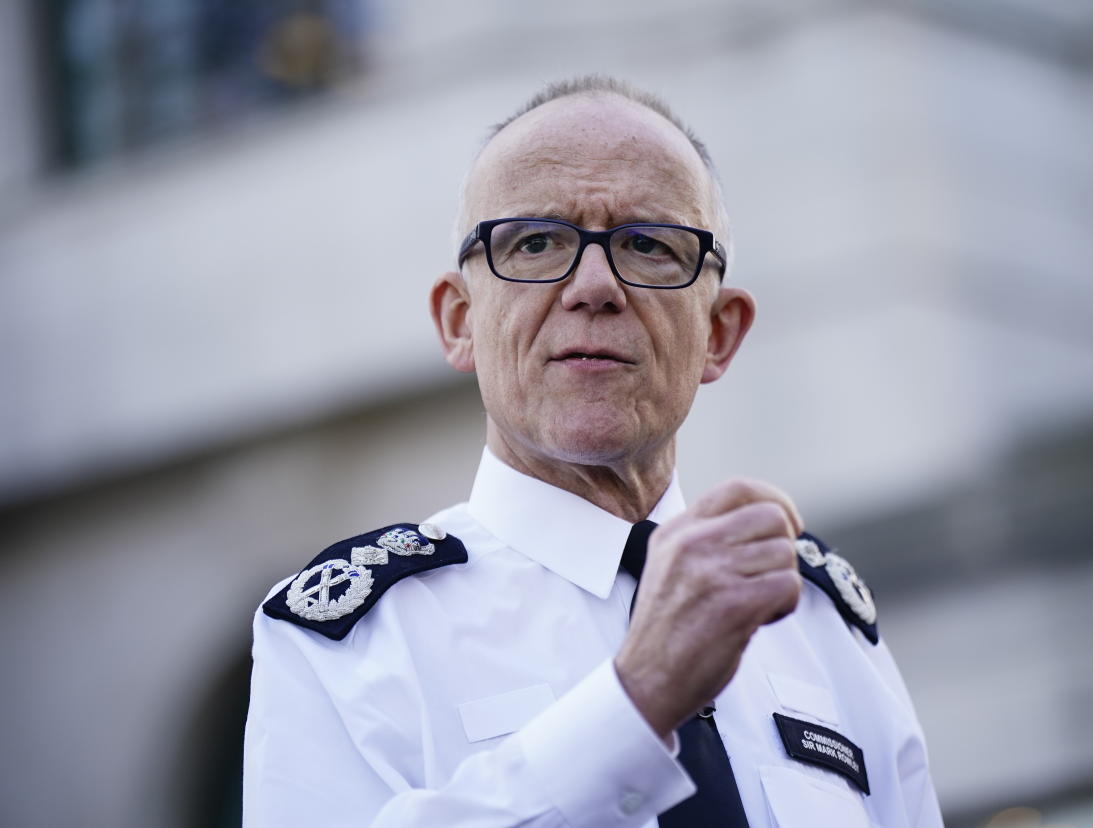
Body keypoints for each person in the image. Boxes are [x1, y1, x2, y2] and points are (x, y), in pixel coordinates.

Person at [243, 75, 943, 827]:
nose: (595, 285)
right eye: (537, 242)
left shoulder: (817, 623)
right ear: (458, 322)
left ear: (719, 333)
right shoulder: (358, 644)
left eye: (648, 245)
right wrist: (635, 702)